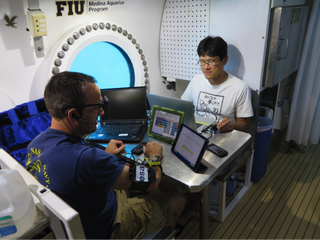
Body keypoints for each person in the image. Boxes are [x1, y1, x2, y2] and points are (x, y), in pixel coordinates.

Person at [25, 71, 187, 240]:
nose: (102, 112)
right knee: (177, 198)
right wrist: (154, 157)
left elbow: (74, 170)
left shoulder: (35, 145)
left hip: (83, 217)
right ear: (73, 114)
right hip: (109, 227)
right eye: (96, 107)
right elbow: (151, 180)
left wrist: (106, 155)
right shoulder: (88, 159)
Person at [181, 36, 253, 133]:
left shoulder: (240, 88)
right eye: (202, 61)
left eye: (211, 61)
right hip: (195, 132)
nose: (206, 67)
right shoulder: (196, 80)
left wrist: (232, 125)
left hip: (221, 136)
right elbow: (182, 108)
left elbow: (244, 125)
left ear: (225, 60)